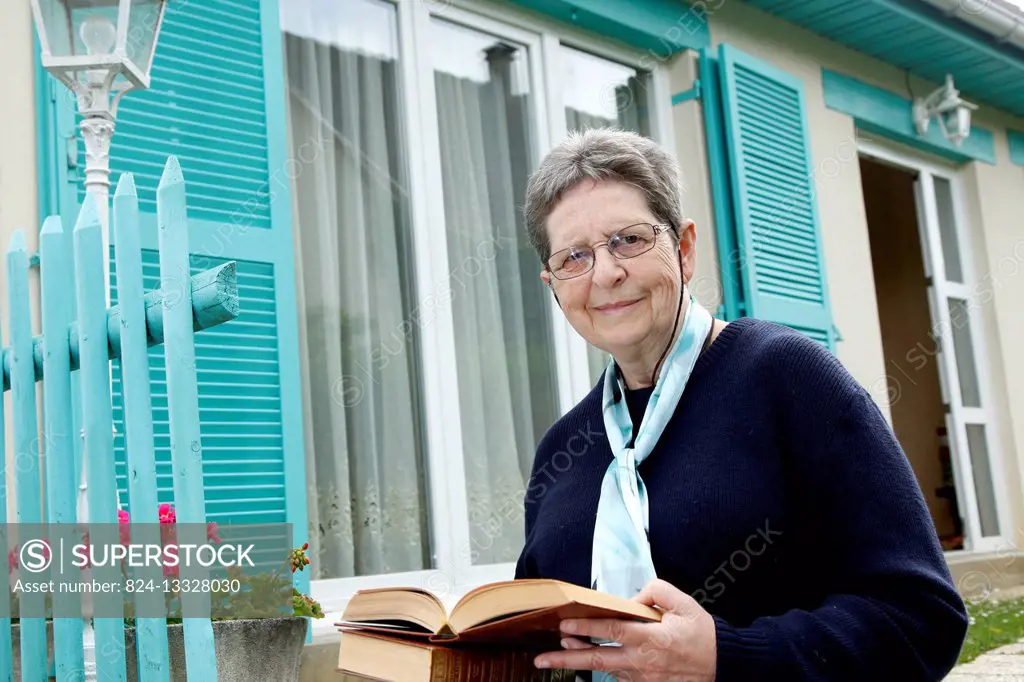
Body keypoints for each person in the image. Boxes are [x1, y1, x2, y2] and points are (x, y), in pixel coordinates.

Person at [514, 128, 968, 681]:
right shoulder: (561, 450)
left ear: (683, 249)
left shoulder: (789, 380)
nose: (606, 273)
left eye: (629, 240)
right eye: (574, 258)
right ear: (554, 286)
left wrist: (724, 657)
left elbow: (923, 618)